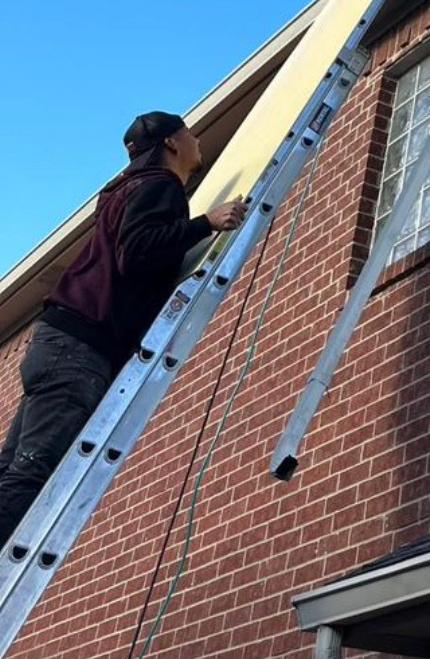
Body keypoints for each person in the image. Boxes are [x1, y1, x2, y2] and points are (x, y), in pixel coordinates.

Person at [0, 112, 247, 545]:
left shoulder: (126, 190)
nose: (196, 140)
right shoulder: (161, 185)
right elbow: (136, 253)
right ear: (171, 143)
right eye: (189, 133)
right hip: (81, 347)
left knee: (12, 470)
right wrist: (205, 223)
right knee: (31, 474)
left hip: (58, 340)